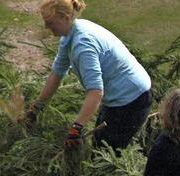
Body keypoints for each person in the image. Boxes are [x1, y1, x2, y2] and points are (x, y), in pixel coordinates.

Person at [25, 0, 152, 151]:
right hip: (119, 97)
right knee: (99, 144)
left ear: (65, 18)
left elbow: (95, 92)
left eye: (50, 22)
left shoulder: (83, 46)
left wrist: (75, 129)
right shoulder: (70, 34)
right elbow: (56, 73)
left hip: (132, 99)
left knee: (106, 155)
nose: (47, 27)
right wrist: (36, 108)